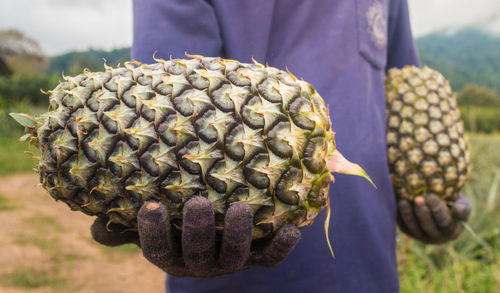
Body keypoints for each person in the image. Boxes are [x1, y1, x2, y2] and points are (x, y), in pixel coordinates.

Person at [91, 0, 472, 292]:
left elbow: (405, 89)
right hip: (235, 278)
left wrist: (429, 189)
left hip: (373, 270)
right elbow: (163, 117)